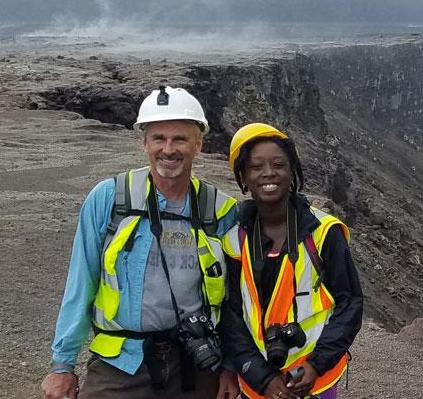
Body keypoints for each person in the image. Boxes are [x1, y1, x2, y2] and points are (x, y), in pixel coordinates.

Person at [41, 86, 243, 399]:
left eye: (180, 139)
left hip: (197, 362)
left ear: (198, 144)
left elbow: (235, 301)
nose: (169, 149)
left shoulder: (221, 210)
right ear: (144, 142)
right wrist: (62, 365)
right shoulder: (109, 199)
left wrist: (230, 365)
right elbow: (81, 282)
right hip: (121, 363)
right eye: (159, 138)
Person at [219, 123, 365, 399]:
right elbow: (231, 317)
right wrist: (263, 378)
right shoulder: (234, 240)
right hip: (259, 383)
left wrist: (316, 364)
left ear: (292, 171)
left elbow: (350, 303)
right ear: (243, 177)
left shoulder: (324, 233)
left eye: (278, 164)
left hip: (314, 379)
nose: (268, 173)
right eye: (256, 167)